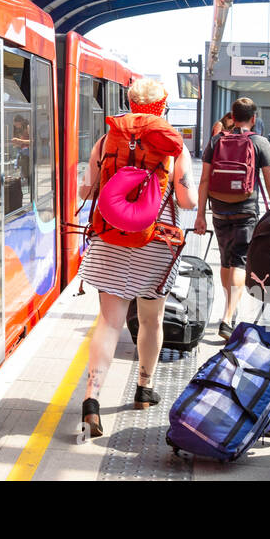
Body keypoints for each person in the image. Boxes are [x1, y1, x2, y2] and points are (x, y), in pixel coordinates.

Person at [77, 77, 195, 437]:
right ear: (161, 108)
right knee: (150, 320)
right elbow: (187, 201)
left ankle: (92, 401)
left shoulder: (106, 140)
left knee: (109, 322)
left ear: (130, 103)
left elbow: (87, 188)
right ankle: (144, 389)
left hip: (111, 238)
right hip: (155, 243)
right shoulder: (174, 146)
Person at [194, 96, 270, 339]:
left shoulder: (215, 140)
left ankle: (230, 304)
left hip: (219, 209)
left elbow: (204, 181)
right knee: (240, 261)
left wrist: (200, 215)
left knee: (225, 259)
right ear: (253, 119)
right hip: (246, 210)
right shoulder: (260, 142)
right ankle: (229, 316)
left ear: (232, 116)